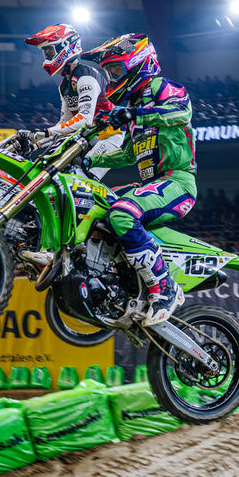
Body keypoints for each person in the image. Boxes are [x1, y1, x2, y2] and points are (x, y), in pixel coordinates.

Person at [84, 33, 196, 325]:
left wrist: (136, 114)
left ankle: (165, 286)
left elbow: (180, 112)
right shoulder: (134, 110)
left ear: (138, 64)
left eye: (117, 71)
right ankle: (121, 285)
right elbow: (125, 155)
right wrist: (88, 159)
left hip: (177, 181)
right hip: (150, 185)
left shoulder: (163, 87)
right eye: (109, 73)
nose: (112, 78)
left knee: (122, 213)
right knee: (93, 201)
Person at [20, 23, 122, 177]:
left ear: (65, 47)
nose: (47, 56)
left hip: (110, 136)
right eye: (45, 52)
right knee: (54, 171)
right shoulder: (64, 85)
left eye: (49, 51)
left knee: (82, 178)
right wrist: (35, 144)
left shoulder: (86, 76)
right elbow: (65, 123)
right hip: (89, 137)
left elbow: (84, 119)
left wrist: (46, 132)